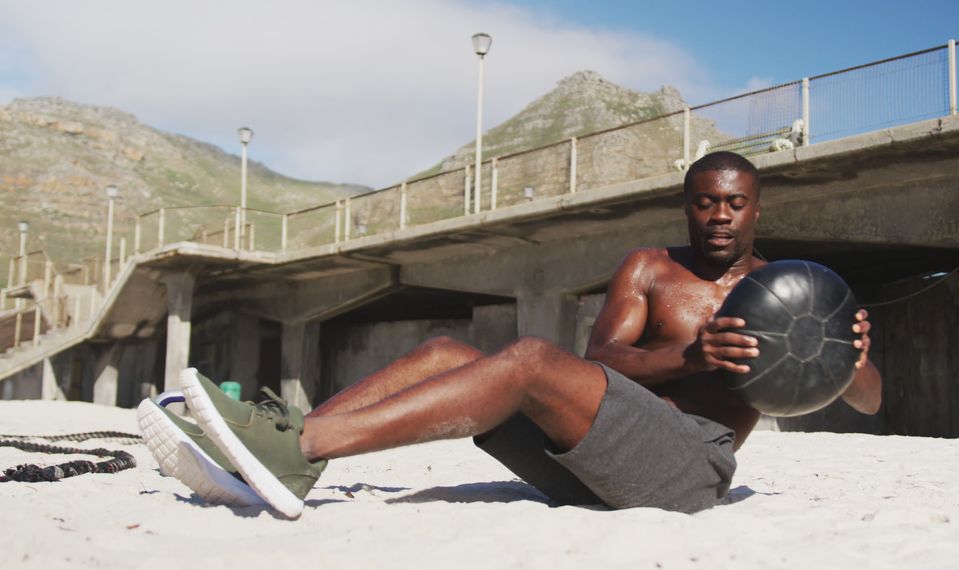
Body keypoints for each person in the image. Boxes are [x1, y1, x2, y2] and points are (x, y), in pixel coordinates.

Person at [147, 151, 881, 518]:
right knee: (446, 354)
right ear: (686, 206)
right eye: (705, 203)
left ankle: (295, 448)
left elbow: (872, 400)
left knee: (529, 358)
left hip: (686, 473)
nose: (720, 216)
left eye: (735, 204)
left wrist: (848, 348)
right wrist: (686, 354)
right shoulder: (650, 269)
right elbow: (602, 362)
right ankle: (281, 451)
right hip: (601, 453)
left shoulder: (795, 295)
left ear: (756, 208)